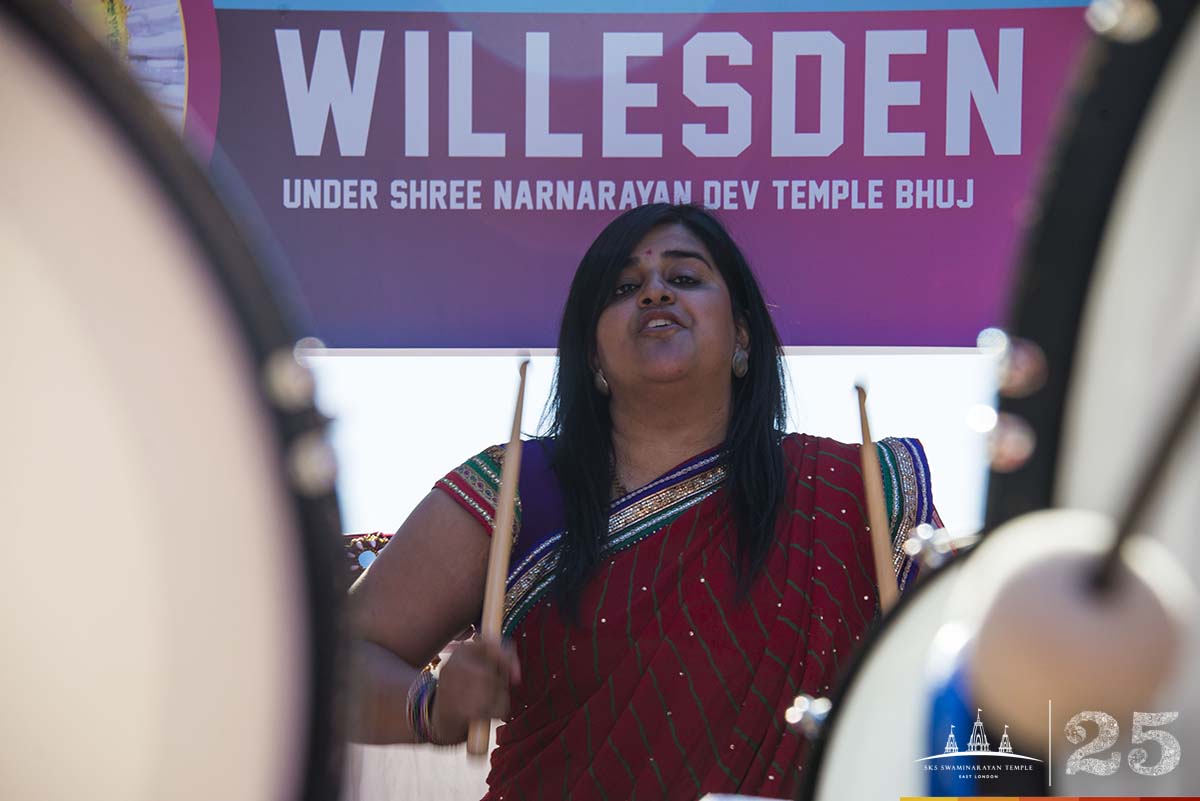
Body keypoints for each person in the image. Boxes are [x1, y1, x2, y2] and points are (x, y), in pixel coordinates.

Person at [346, 203, 940, 800]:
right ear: (592, 356)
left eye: (684, 278)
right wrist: (432, 707)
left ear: (742, 336)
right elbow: (332, 662)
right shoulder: (517, 491)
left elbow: (974, 670)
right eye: (625, 287)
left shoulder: (861, 489)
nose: (655, 293)